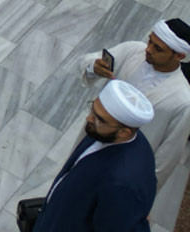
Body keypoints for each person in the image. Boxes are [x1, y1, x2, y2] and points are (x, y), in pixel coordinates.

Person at [80, 20, 190, 229]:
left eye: (158, 48)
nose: (148, 50)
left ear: (179, 56)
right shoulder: (133, 52)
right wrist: (94, 67)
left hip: (122, 170)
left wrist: (139, 194)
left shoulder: (183, 101)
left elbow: (166, 158)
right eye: (150, 41)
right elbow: (88, 60)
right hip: (92, 144)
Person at [33, 80, 156, 231]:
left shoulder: (123, 183)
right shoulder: (104, 133)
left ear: (124, 132)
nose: (89, 119)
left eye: (99, 119)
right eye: (93, 110)